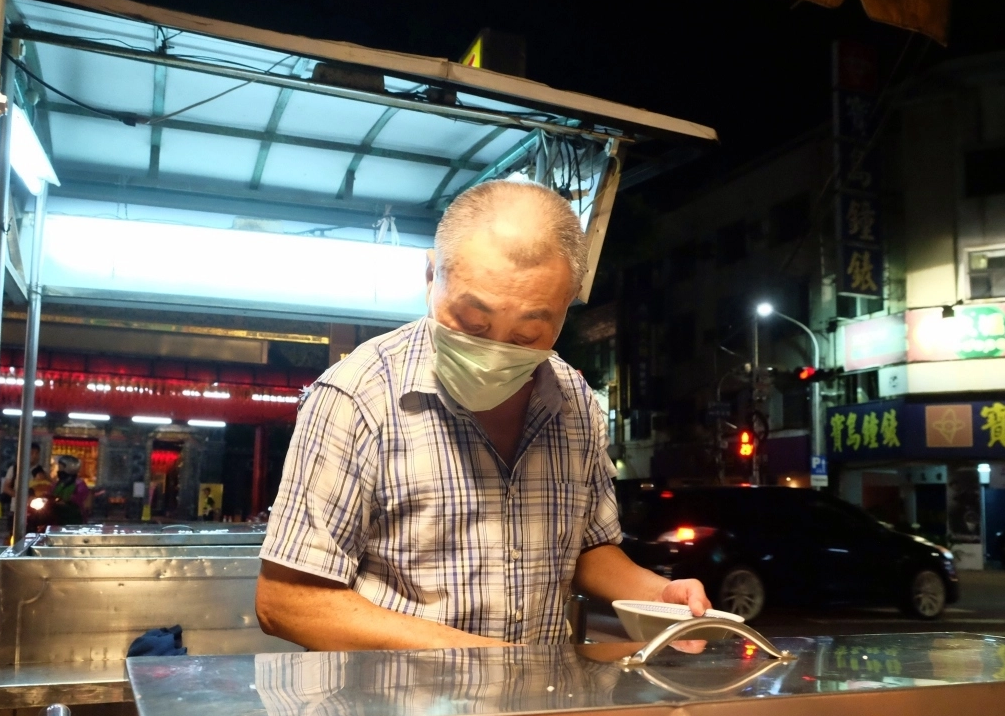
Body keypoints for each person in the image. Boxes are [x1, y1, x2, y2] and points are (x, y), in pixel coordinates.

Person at [257, 180, 709, 651]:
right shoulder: (356, 396)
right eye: (473, 324)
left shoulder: (573, 398)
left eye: (527, 335)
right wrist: (492, 662)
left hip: (539, 708)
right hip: (398, 713)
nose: (493, 350)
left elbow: (586, 548)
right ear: (432, 275)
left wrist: (657, 595)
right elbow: (288, 601)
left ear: (566, 305)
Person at [48, 455, 91, 526]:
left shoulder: (79, 484)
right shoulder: (58, 483)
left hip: (72, 518)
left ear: (69, 468)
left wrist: (67, 501)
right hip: (56, 515)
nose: (59, 470)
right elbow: (51, 493)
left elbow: (80, 500)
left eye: (61, 467)